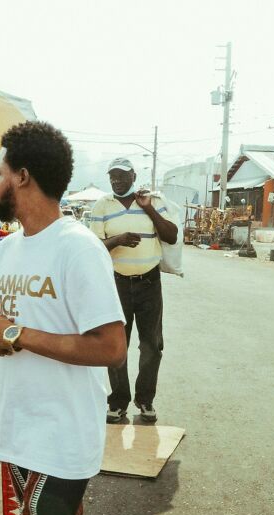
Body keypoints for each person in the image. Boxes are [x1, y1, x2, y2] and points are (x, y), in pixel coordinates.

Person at [0, 121, 126, 515]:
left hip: (64, 433)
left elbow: (112, 346)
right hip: (23, 426)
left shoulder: (77, 248)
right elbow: (17, 330)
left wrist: (16, 334)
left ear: (21, 176)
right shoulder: (7, 251)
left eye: (0, 173)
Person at [90, 158, 178, 424]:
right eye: (112, 177)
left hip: (149, 282)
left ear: (133, 176)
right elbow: (91, 248)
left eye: (121, 176)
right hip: (116, 283)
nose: (116, 181)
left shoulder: (151, 201)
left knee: (152, 345)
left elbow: (171, 235)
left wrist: (148, 209)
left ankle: (145, 400)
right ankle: (118, 402)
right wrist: (116, 240)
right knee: (116, 344)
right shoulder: (102, 205)